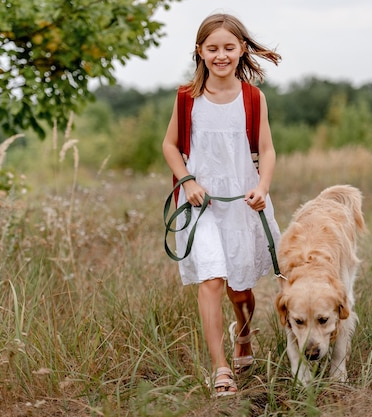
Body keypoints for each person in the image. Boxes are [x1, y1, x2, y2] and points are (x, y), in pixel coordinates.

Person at [162, 13, 281, 397]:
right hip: (200, 203)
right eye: (212, 48)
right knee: (212, 279)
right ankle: (221, 369)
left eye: (229, 48)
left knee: (241, 288)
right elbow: (170, 146)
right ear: (200, 52)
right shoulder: (187, 98)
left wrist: (262, 187)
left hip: (243, 201)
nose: (221, 55)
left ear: (241, 49)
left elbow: (266, 148)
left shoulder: (252, 97)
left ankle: (243, 337)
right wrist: (187, 179)